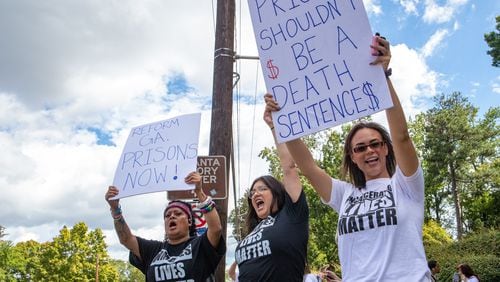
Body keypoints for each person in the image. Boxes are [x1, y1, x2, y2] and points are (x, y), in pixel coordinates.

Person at [265, 35, 430, 280]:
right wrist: (281, 123)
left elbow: (403, 136)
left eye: (375, 144)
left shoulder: (406, 186)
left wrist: (383, 77)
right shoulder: (344, 194)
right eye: (360, 148)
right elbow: (308, 167)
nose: (369, 151)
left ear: (386, 148)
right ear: (352, 157)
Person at [233, 105, 309, 281]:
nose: (256, 194)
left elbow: (289, 167)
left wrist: (275, 126)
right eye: (252, 193)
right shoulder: (253, 230)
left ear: (276, 192)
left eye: (262, 189)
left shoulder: (292, 215)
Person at [105, 171, 226, 281]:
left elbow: (216, 229)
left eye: (178, 214)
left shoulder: (200, 246)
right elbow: (126, 239)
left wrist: (199, 192)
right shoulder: (153, 250)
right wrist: (115, 209)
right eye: (167, 216)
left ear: (189, 222)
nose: (172, 217)